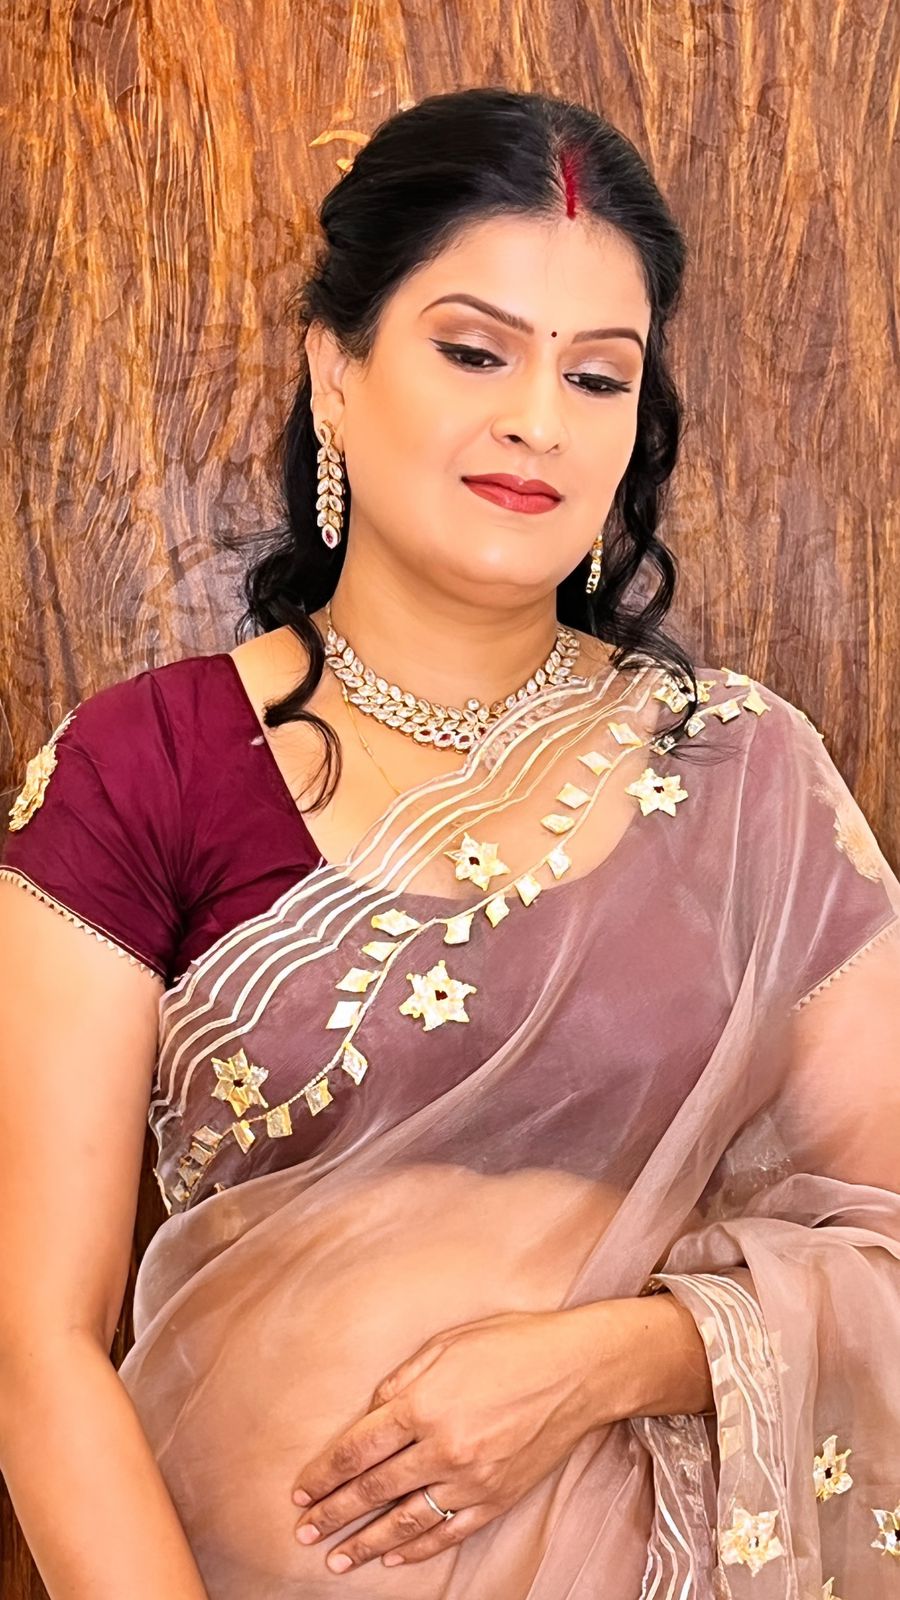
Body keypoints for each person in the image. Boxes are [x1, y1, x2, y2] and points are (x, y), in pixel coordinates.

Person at [1, 86, 898, 1600]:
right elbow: (33, 1340)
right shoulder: (144, 768)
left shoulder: (741, 774)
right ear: (335, 371)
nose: (539, 419)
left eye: (598, 376)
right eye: (475, 351)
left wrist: (610, 1360)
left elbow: (892, 1248)